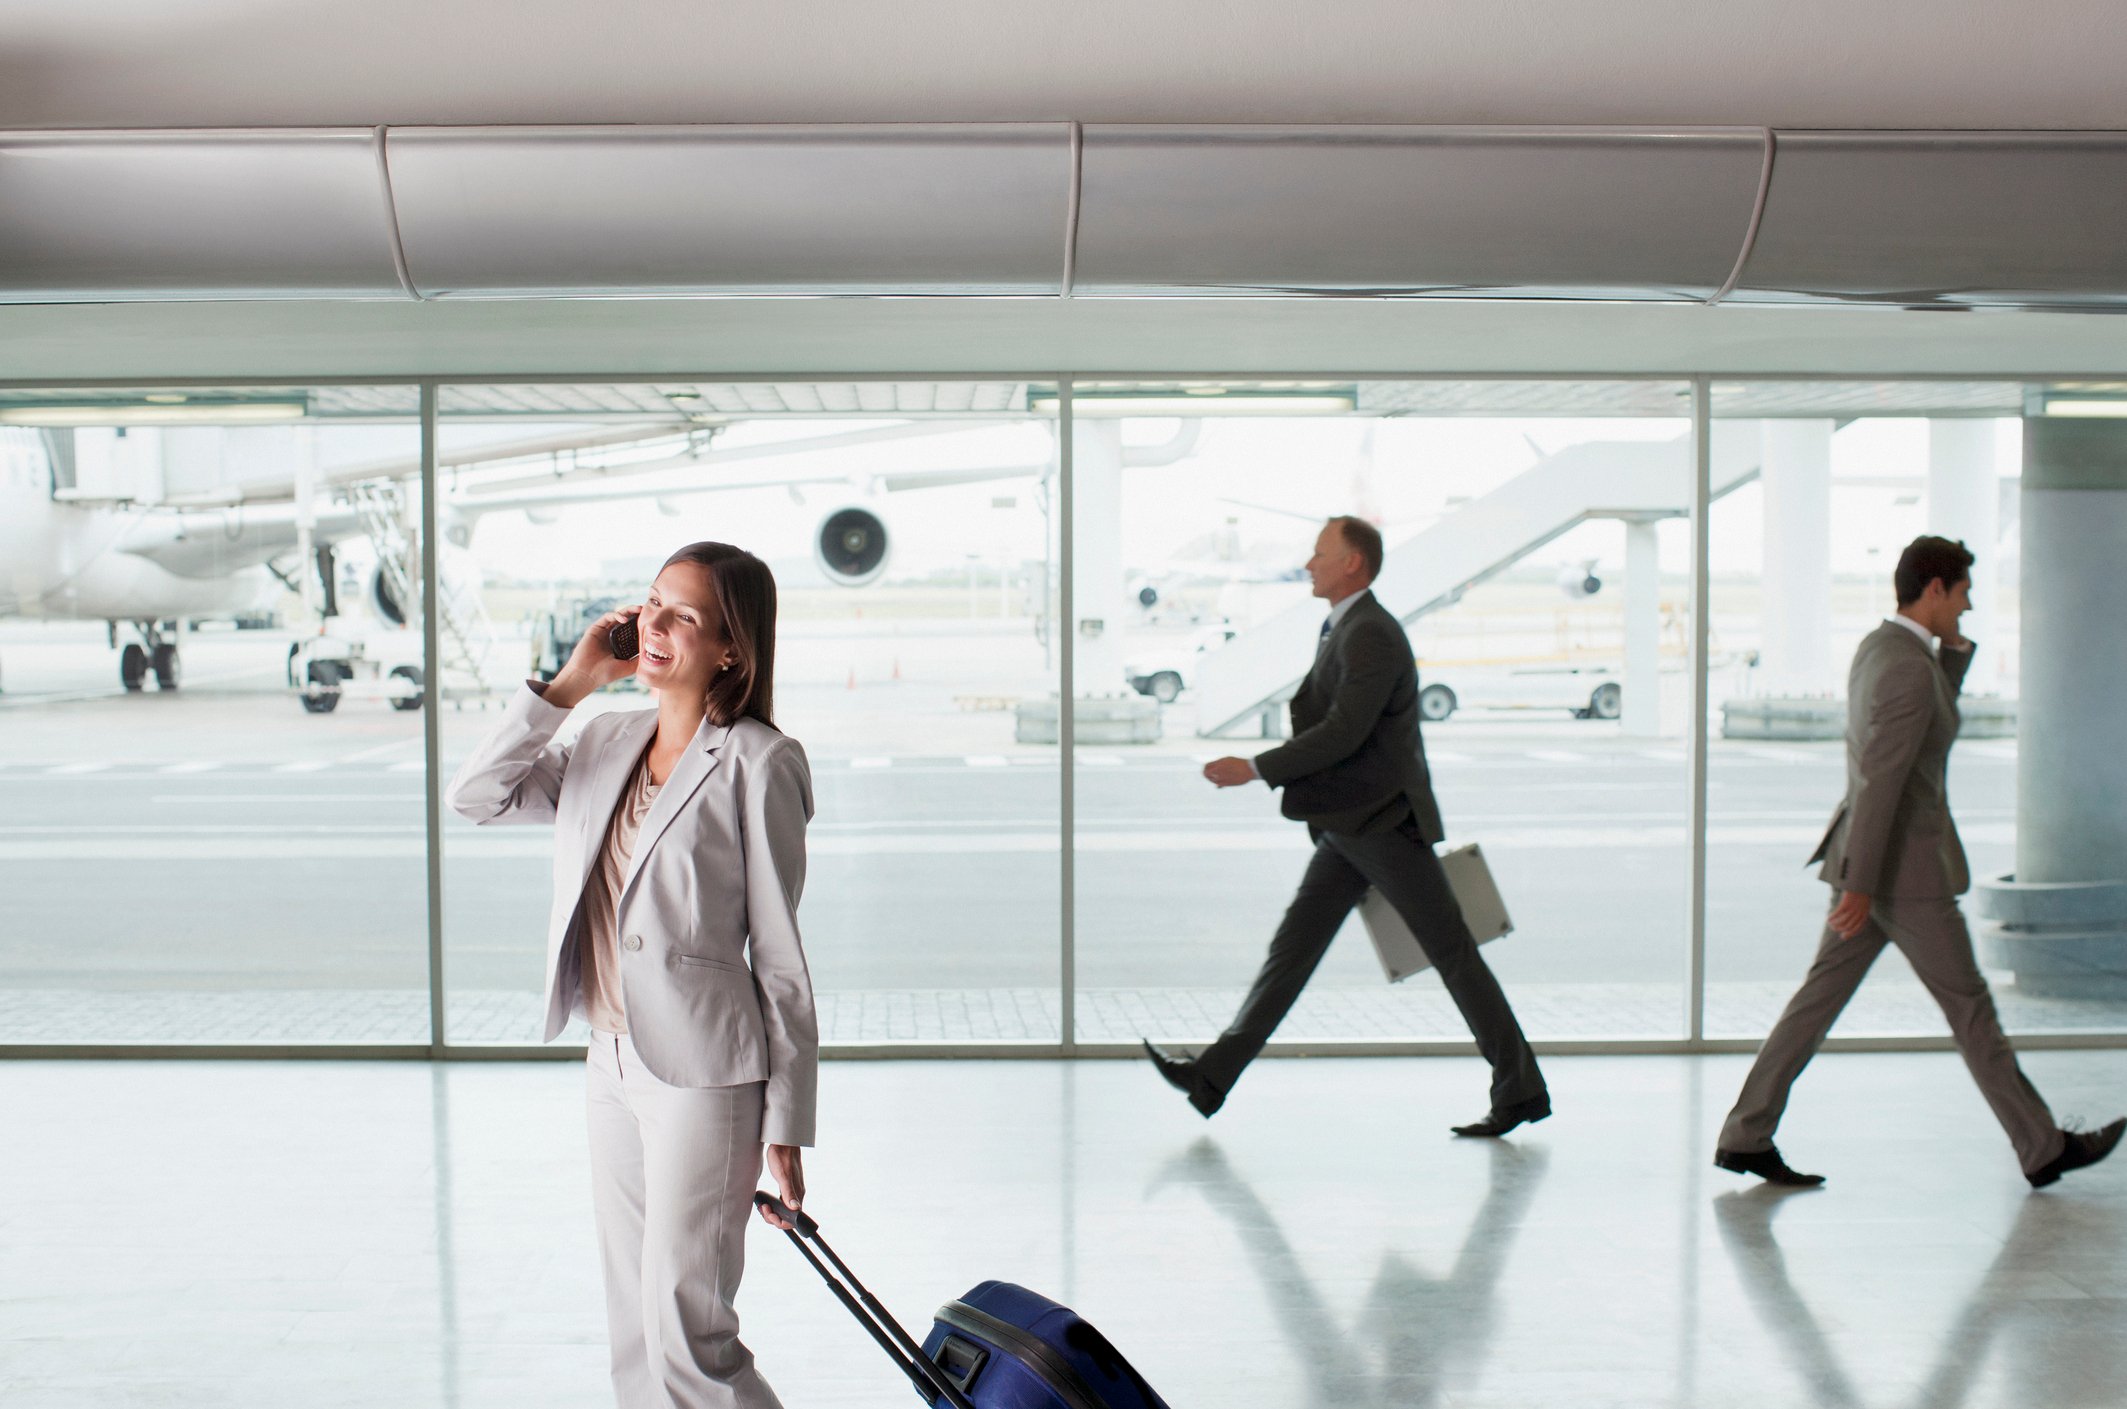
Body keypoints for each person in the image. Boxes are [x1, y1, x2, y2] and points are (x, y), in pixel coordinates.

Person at [447, 541, 818, 1407]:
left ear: (731, 646)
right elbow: (476, 795)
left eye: (683, 615)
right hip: (610, 1060)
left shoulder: (760, 761)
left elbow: (781, 956)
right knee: (632, 1330)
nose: (654, 624)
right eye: (652, 603)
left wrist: (787, 1119)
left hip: (706, 1075)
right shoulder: (604, 736)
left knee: (690, 1334)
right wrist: (571, 684)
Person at [1714, 535, 2123, 1189]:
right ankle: (2042, 1146)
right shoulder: (1906, 665)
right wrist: (1859, 883)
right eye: (1962, 592)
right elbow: (1884, 777)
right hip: (1902, 874)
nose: (1968, 605)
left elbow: (1918, 729)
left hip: (1873, 865)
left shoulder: (1885, 648)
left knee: (1814, 1003)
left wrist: (1951, 661)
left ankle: (1744, 1133)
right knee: (1970, 1007)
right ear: (1933, 588)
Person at [1143, 516, 1549, 1137]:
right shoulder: (1346, 627)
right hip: (1348, 826)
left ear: (1352, 563)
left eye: (1319, 553)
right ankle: (1213, 1075)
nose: (1309, 564)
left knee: (1452, 954)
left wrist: (1256, 767)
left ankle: (1519, 1089)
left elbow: (1343, 730)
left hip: (1383, 825)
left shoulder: (1372, 634)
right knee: (1293, 951)